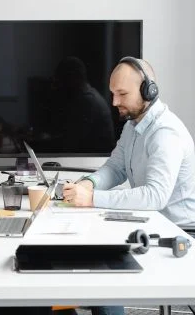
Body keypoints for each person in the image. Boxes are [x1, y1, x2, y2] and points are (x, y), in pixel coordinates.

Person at [62, 57, 195, 315]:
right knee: (91, 243)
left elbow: (155, 196)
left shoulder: (165, 133)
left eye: (122, 94)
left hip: (179, 232)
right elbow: (116, 168)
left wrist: (91, 199)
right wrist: (88, 184)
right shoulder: (133, 126)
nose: (114, 102)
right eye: (112, 93)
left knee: (102, 270)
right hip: (151, 222)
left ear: (149, 90)